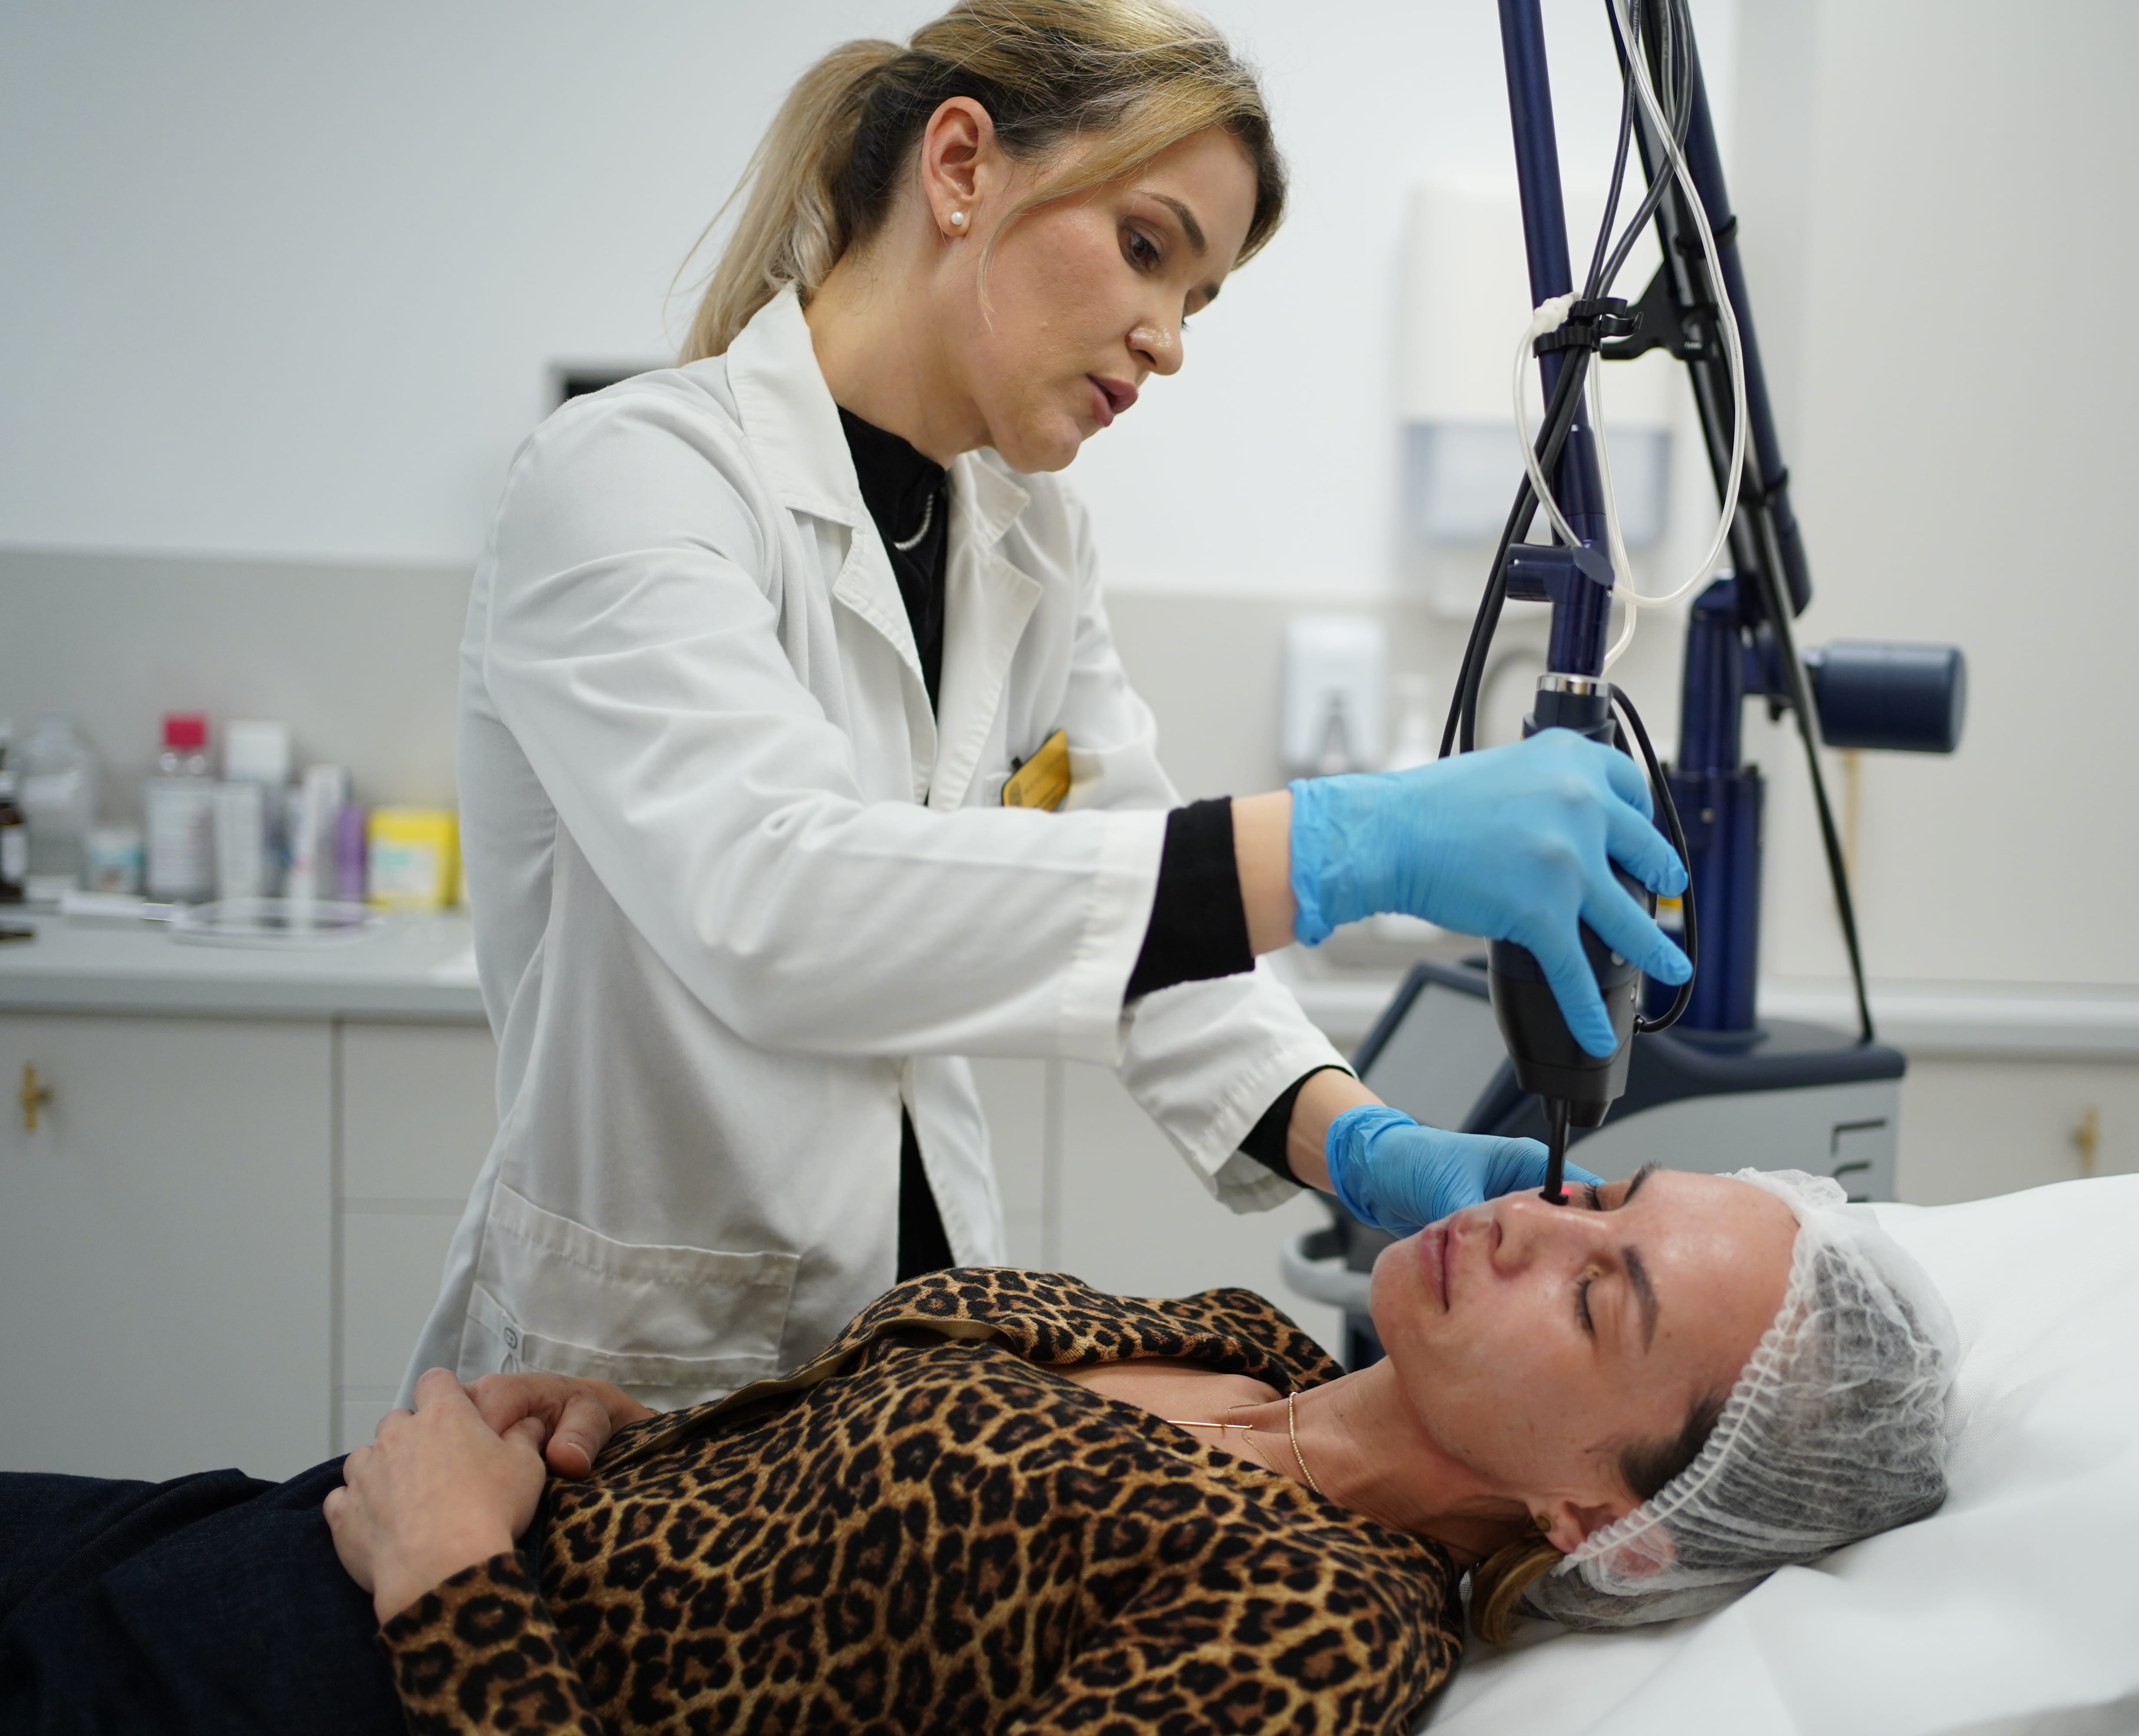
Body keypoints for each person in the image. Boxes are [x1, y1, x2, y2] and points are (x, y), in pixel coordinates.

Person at [407, 0, 1693, 1413]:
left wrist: (1362, 1143)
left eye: (1197, 300)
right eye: (1147, 249)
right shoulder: (632, 478)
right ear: (962, 166)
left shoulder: (1031, 540)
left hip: (911, 1367)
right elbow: (776, 907)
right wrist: (1348, 844)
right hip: (632, 1386)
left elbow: (1143, 926)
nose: (1170, 342)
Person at [0, 1168, 1955, 1733]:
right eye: (1598, 1195)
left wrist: (456, 1585)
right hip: (250, 1543)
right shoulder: (1246, 1341)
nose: (1529, 1221)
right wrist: (618, 1449)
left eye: (1604, 1299)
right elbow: (830, 1561)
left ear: (1601, 1516)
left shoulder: (1321, 1641)